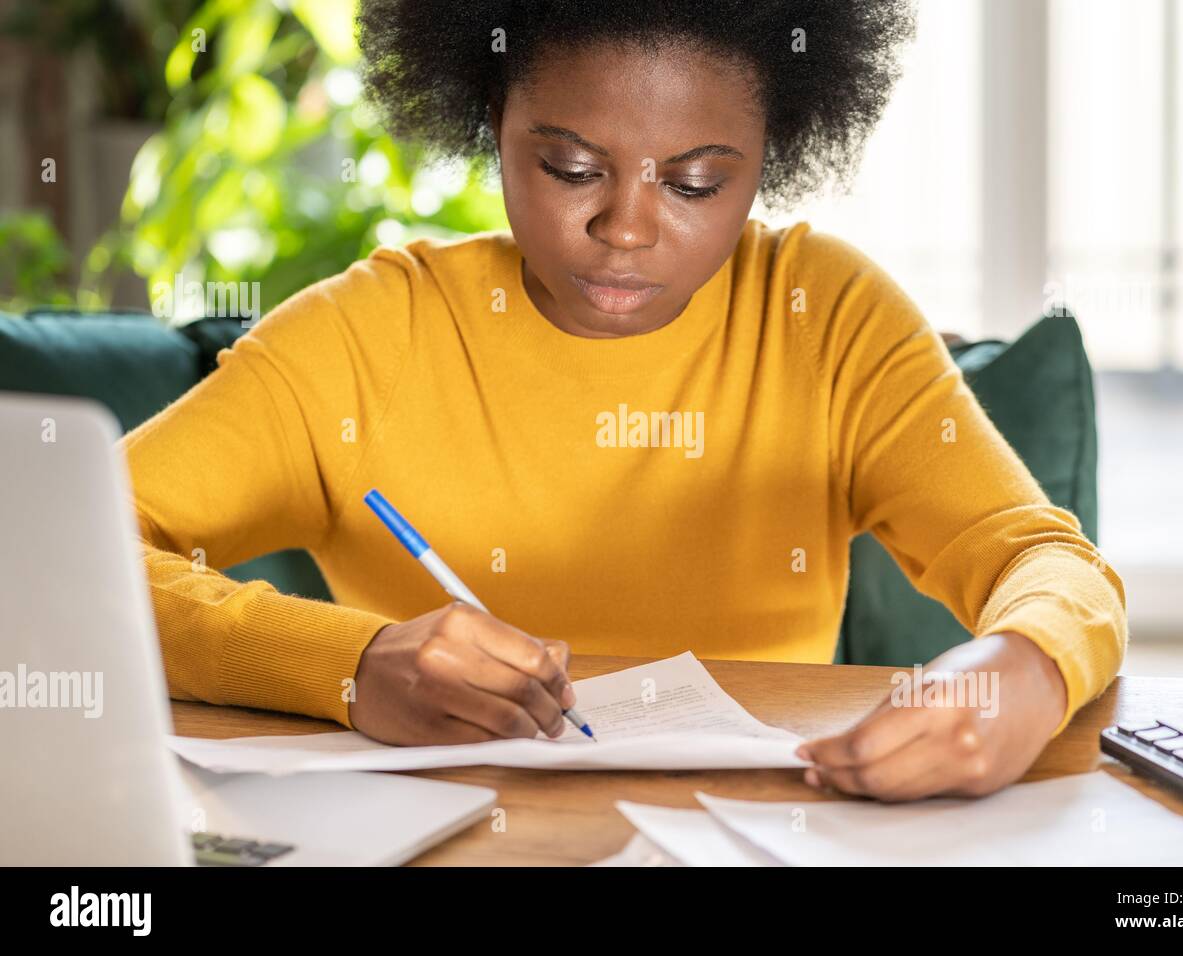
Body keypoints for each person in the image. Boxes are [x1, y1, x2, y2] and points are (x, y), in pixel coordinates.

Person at [122, 0, 1126, 802]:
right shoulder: (370, 336)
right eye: (570, 168)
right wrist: (348, 662)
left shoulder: (825, 316)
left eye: (693, 183)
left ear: (769, 154)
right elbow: (50, 556)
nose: (626, 228)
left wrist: (1021, 667)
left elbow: (1042, 559)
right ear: (491, 119)